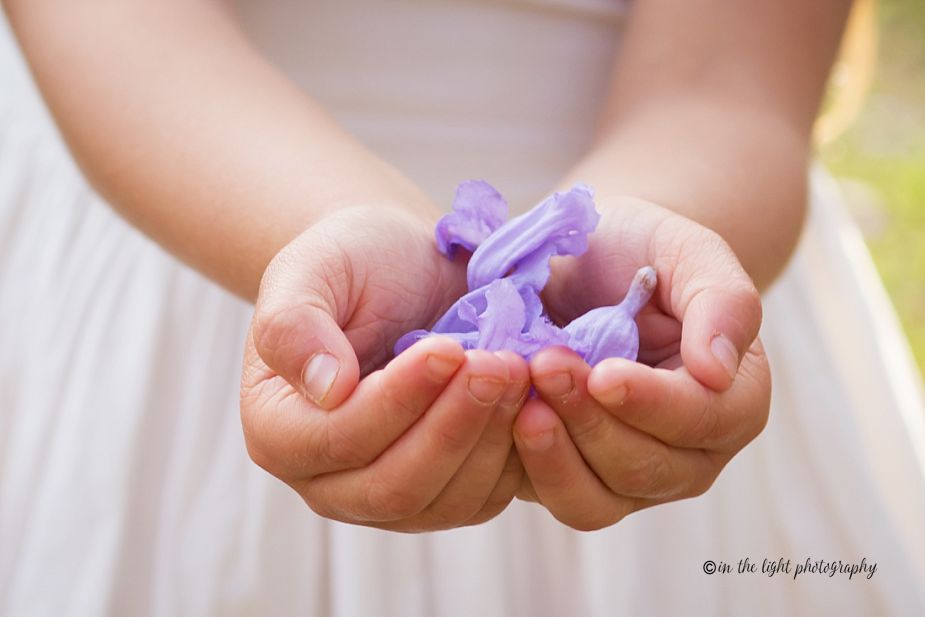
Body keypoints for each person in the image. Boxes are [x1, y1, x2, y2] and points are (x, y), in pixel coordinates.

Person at [1, 0, 923, 615]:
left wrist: (620, 254)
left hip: (672, 265)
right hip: (207, 223)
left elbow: (730, 82)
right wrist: (326, 230)